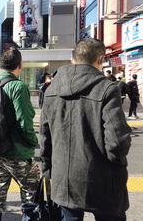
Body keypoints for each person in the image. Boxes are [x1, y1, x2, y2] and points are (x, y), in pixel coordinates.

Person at [40, 38, 131, 221]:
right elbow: (117, 141)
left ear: (72, 59)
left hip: (64, 180)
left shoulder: (52, 89)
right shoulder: (106, 89)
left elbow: (45, 137)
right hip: (104, 179)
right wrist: (118, 164)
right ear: (100, 59)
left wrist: (48, 169)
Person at [0, 48, 39, 221]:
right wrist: (33, 142)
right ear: (20, 65)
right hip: (17, 151)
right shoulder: (18, 86)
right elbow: (25, 121)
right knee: (32, 189)